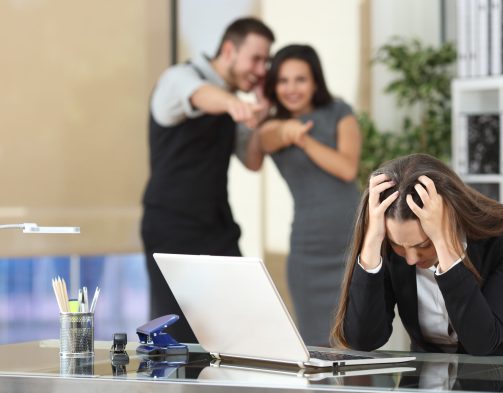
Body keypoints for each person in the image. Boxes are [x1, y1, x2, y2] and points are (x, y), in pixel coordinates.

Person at [331, 153, 503, 356]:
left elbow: (482, 342)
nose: (411, 259)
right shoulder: (389, 244)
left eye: (423, 244)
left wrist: (445, 244)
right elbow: (363, 341)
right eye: (399, 246)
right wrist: (371, 242)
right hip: (428, 382)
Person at [141, 17, 275, 343]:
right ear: (229, 50)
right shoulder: (179, 78)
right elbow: (199, 95)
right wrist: (234, 104)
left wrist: (262, 114)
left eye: (266, 61)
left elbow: (253, 160)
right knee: (179, 337)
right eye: (256, 59)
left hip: (217, 228)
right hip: (171, 228)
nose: (261, 69)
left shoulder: (234, 102)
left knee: (247, 324)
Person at [259, 44, 362, 346]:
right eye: (283, 80)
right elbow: (265, 140)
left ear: (315, 81)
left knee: (358, 342)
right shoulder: (272, 128)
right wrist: (285, 128)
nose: (291, 88)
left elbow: (347, 168)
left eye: (300, 79)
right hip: (309, 252)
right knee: (315, 345)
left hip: (353, 247)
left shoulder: (340, 112)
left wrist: (303, 140)